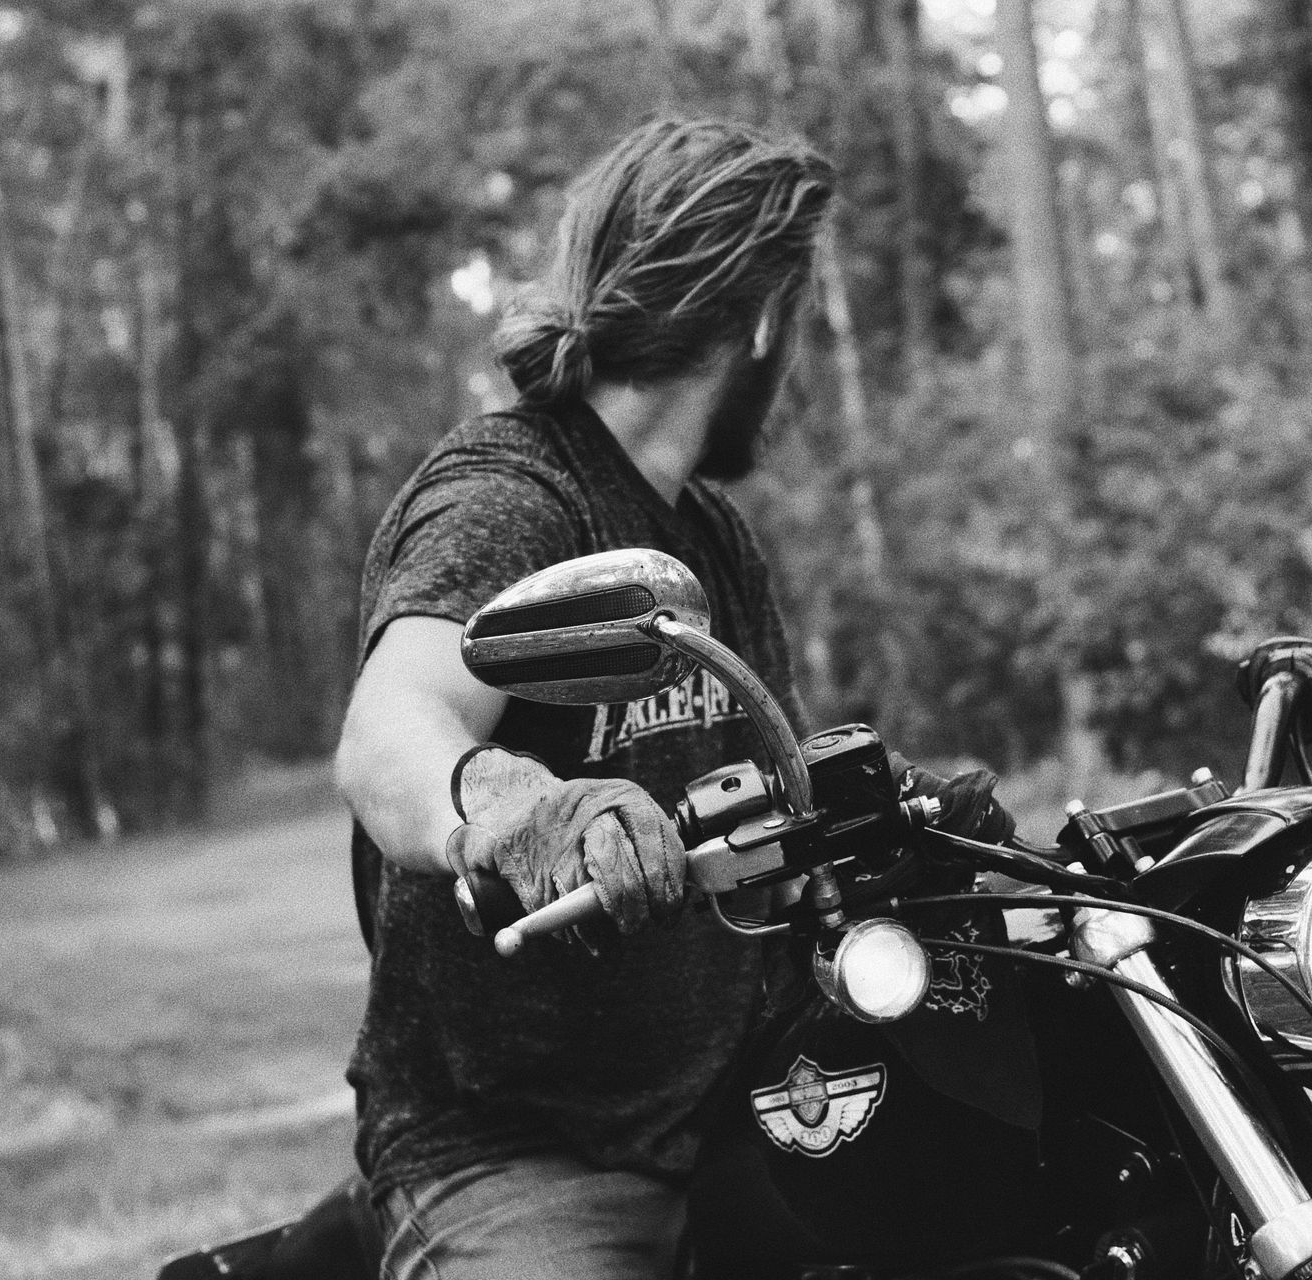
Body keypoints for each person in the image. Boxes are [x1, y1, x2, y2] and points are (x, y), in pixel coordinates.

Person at [334, 117, 834, 1280]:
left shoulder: (713, 539)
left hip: (731, 1120)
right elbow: (388, 732)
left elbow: (776, 805)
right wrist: (511, 801)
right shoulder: (516, 493)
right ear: (763, 315)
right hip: (519, 1153)